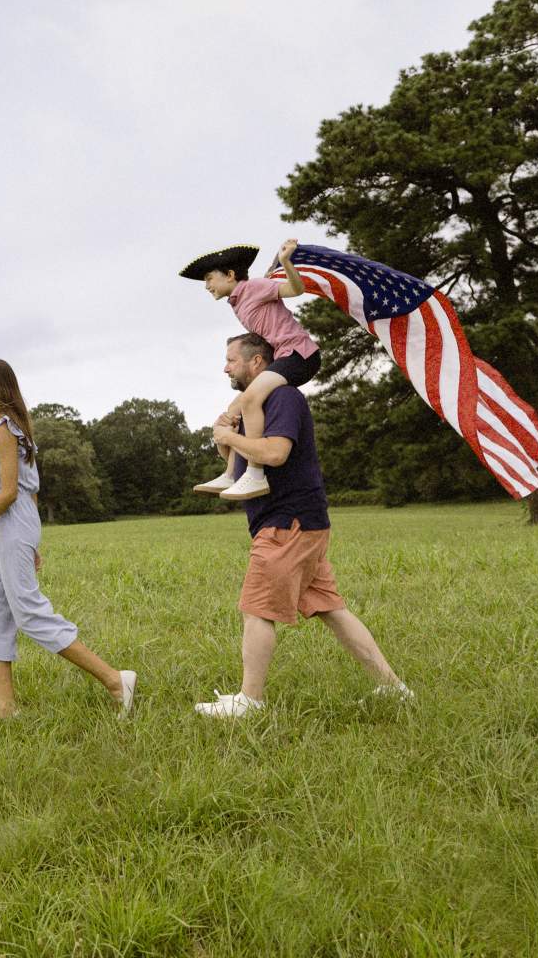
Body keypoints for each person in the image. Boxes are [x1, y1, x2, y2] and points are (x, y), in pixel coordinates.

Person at [194, 332, 414, 718]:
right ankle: (393, 688)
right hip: (294, 520)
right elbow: (244, 463)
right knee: (332, 609)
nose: (225, 367)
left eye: (231, 359)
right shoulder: (254, 406)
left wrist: (230, 435)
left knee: (257, 609)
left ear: (257, 362)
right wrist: (226, 437)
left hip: (288, 521)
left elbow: (276, 454)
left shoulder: (283, 398)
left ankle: (250, 702)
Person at [0, 359, 136, 721]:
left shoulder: (4, 431)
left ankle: (115, 680)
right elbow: (30, 494)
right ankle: (5, 708)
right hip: (13, 529)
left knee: (30, 614)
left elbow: (9, 494)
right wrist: (32, 542)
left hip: (11, 523)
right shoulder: (14, 429)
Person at [180, 239, 320, 500]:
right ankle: (232, 473)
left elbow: (296, 289)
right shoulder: (239, 300)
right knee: (235, 408)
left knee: (251, 398)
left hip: (301, 355)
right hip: (284, 356)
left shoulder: (253, 287)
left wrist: (287, 261)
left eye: (210, 278)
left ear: (230, 275)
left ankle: (255, 474)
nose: (207, 286)